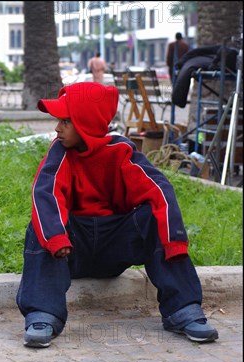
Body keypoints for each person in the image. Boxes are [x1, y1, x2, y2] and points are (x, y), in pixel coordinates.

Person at [16, 82, 219, 348]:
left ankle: (183, 309)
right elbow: (46, 194)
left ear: (86, 122)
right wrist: (56, 238)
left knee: (154, 216)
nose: (57, 128)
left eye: (66, 121)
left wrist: (174, 239)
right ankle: (42, 313)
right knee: (43, 225)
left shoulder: (122, 151)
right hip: (70, 251)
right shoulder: (60, 153)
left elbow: (160, 191)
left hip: (114, 247)